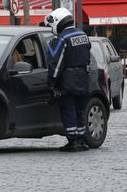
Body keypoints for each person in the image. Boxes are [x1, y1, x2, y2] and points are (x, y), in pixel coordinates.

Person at [44, 8, 91, 152]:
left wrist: (51, 83)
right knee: (80, 110)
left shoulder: (62, 39)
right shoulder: (83, 35)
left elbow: (56, 64)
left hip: (68, 80)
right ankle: (82, 139)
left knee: (68, 110)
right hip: (83, 78)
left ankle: (73, 141)